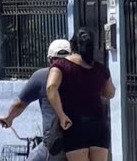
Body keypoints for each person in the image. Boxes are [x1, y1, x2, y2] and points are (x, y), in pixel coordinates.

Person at [46, 28, 116, 161]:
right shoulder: (99, 68)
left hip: (74, 125)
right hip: (97, 124)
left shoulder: (61, 66)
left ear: (72, 45)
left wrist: (61, 116)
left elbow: (51, 88)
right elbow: (110, 93)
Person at [0, 39, 71, 161]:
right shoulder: (82, 75)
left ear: (50, 60)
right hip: (84, 142)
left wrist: (8, 118)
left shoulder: (42, 76)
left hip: (55, 144)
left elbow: (19, 104)